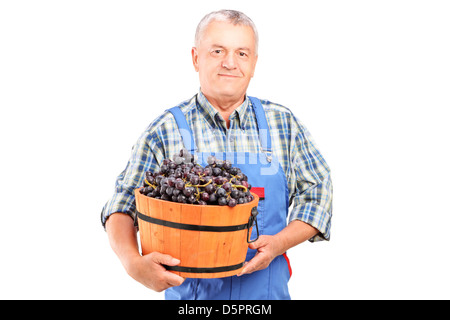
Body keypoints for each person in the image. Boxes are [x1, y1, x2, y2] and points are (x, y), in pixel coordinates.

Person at [101, 9, 332, 300]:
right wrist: (133, 265)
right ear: (196, 58)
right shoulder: (165, 130)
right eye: (218, 50)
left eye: (242, 53)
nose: (230, 63)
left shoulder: (283, 124)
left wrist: (279, 243)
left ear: (254, 63)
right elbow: (122, 204)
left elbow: (319, 191)